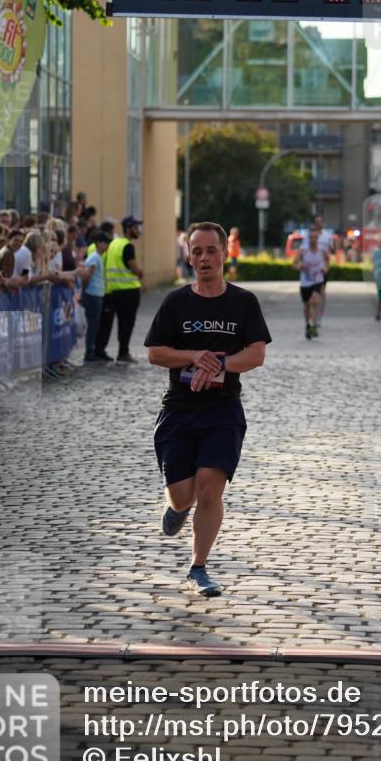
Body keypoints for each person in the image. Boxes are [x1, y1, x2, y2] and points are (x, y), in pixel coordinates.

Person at [144, 221, 271, 597]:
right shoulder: (175, 302)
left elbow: (256, 354)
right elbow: (155, 352)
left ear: (224, 254)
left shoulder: (243, 302)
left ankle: (198, 567)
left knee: (210, 488)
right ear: (188, 256)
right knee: (183, 494)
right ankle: (178, 508)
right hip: (179, 411)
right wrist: (193, 356)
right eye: (196, 251)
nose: (203, 258)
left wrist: (216, 365)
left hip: (222, 410)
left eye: (210, 250)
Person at [97, 215, 143, 363]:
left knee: (109, 323)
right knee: (126, 323)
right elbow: (134, 268)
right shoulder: (127, 246)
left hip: (112, 290)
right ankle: (123, 353)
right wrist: (140, 273)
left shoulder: (114, 243)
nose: (138, 230)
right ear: (128, 229)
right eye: (136, 227)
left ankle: (101, 350)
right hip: (128, 291)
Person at [294, 226, 329, 339]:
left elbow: (328, 261)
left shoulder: (322, 250)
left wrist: (325, 269)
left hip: (317, 280)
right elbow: (293, 265)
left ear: (318, 238)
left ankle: (314, 325)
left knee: (314, 301)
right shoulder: (303, 250)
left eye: (315, 238)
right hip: (305, 282)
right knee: (307, 306)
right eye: (311, 238)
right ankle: (308, 325)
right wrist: (301, 266)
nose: (313, 240)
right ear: (308, 238)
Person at [81, 230, 111, 362]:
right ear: (98, 243)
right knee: (93, 326)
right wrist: (84, 290)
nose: (107, 245)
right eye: (105, 243)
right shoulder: (94, 257)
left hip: (96, 294)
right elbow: (88, 276)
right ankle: (89, 353)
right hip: (92, 294)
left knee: (95, 325)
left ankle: (91, 352)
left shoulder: (97, 257)